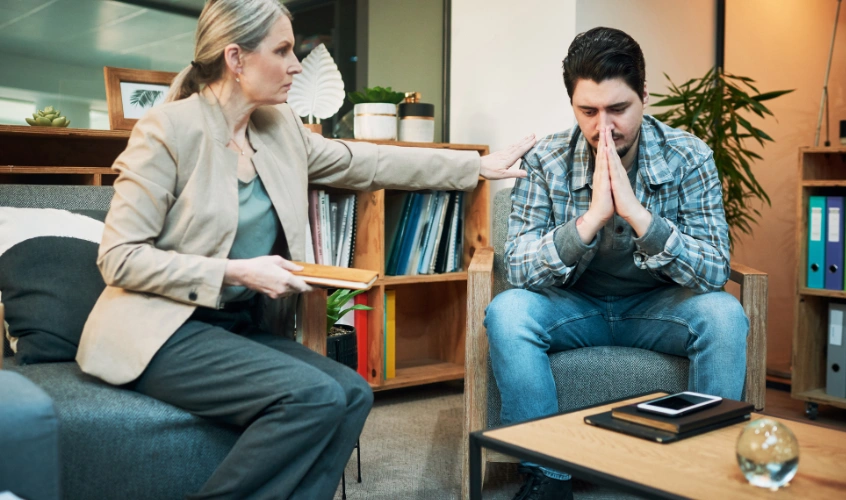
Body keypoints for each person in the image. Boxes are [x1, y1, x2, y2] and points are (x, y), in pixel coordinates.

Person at [76, 1, 534, 498]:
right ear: (236, 58)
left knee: (352, 393)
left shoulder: (279, 128)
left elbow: (368, 162)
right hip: (164, 329)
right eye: (283, 50)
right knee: (313, 397)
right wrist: (237, 271)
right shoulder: (167, 131)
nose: (297, 64)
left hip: (235, 326)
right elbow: (118, 257)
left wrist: (474, 169)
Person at [484, 27, 749, 500]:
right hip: (573, 309)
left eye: (618, 109)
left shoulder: (689, 157)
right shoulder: (546, 159)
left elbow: (713, 270)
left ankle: (703, 475)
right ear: (572, 106)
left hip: (658, 310)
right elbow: (518, 270)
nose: (603, 126)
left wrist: (640, 218)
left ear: (644, 97)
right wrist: (591, 220)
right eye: (588, 111)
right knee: (508, 312)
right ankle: (546, 475)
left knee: (724, 315)